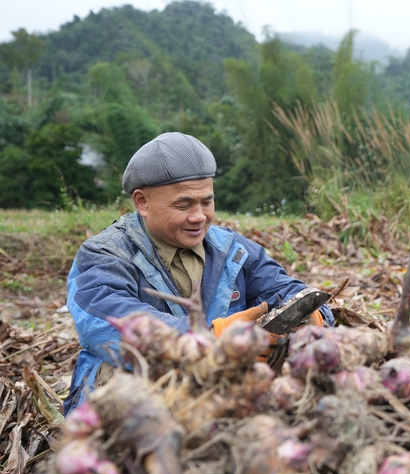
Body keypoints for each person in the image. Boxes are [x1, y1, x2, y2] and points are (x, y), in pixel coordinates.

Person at [65, 132, 333, 414]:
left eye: (206, 202)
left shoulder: (234, 250)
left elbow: (290, 291)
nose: (199, 216)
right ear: (142, 202)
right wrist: (207, 339)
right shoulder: (106, 254)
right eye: (184, 205)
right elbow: (107, 321)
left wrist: (312, 318)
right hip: (133, 415)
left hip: (218, 400)